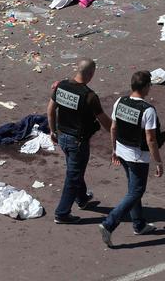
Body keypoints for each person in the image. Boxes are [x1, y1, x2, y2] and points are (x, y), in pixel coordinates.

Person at [99, 70, 165, 247]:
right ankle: (109, 224)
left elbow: (113, 128)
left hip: (122, 150)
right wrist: (158, 162)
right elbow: (151, 139)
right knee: (136, 191)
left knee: (132, 189)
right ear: (145, 87)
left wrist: (114, 149)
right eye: (150, 85)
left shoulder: (120, 101)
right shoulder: (148, 110)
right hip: (137, 157)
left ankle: (139, 224)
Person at [48, 58, 111, 224]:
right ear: (91, 74)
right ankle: (62, 213)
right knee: (73, 176)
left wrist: (52, 130)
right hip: (78, 141)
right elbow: (105, 121)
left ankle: (82, 198)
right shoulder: (89, 96)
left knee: (74, 169)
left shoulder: (61, 86)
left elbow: (50, 110)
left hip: (62, 136)